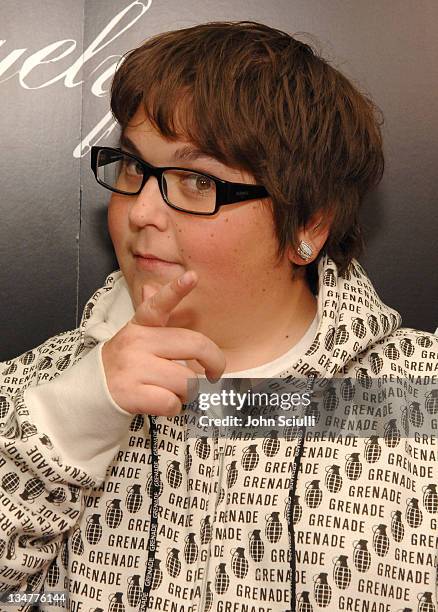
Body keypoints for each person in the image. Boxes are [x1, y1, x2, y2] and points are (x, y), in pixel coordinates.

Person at [0, 20, 437, 612]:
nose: (141, 210)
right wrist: (68, 423)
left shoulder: (417, 395)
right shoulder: (35, 389)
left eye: (194, 179)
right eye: (133, 168)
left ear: (307, 223)